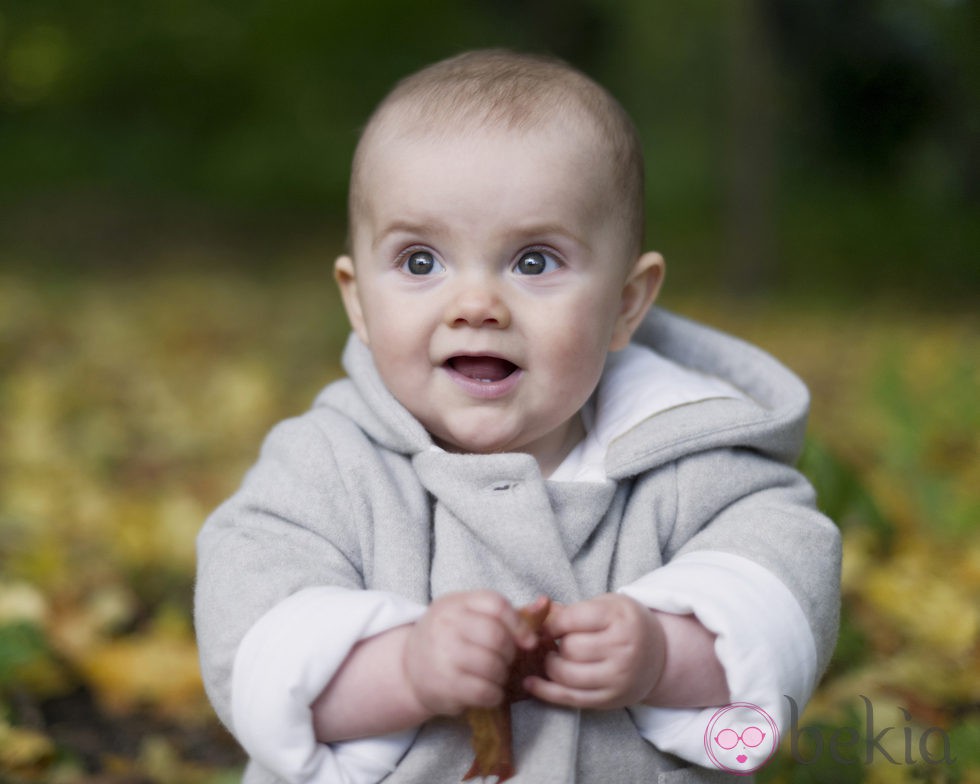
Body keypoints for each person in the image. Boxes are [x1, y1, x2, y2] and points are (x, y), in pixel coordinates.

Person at [195, 49, 841, 783]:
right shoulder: (325, 466)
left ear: (627, 303)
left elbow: (785, 594)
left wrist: (664, 653)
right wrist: (403, 670)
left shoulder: (694, 459)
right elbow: (252, 636)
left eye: (533, 262)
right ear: (357, 300)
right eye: (419, 262)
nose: (475, 305)